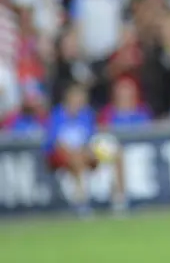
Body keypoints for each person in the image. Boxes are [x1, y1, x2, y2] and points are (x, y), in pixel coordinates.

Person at [44, 83, 127, 217]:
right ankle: (82, 203)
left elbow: (91, 139)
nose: (80, 102)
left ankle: (119, 199)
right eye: (77, 99)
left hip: (83, 151)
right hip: (60, 155)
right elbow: (56, 142)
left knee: (117, 154)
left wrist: (90, 151)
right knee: (76, 158)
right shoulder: (57, 115)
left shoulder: (86, 114)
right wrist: (76, 151)